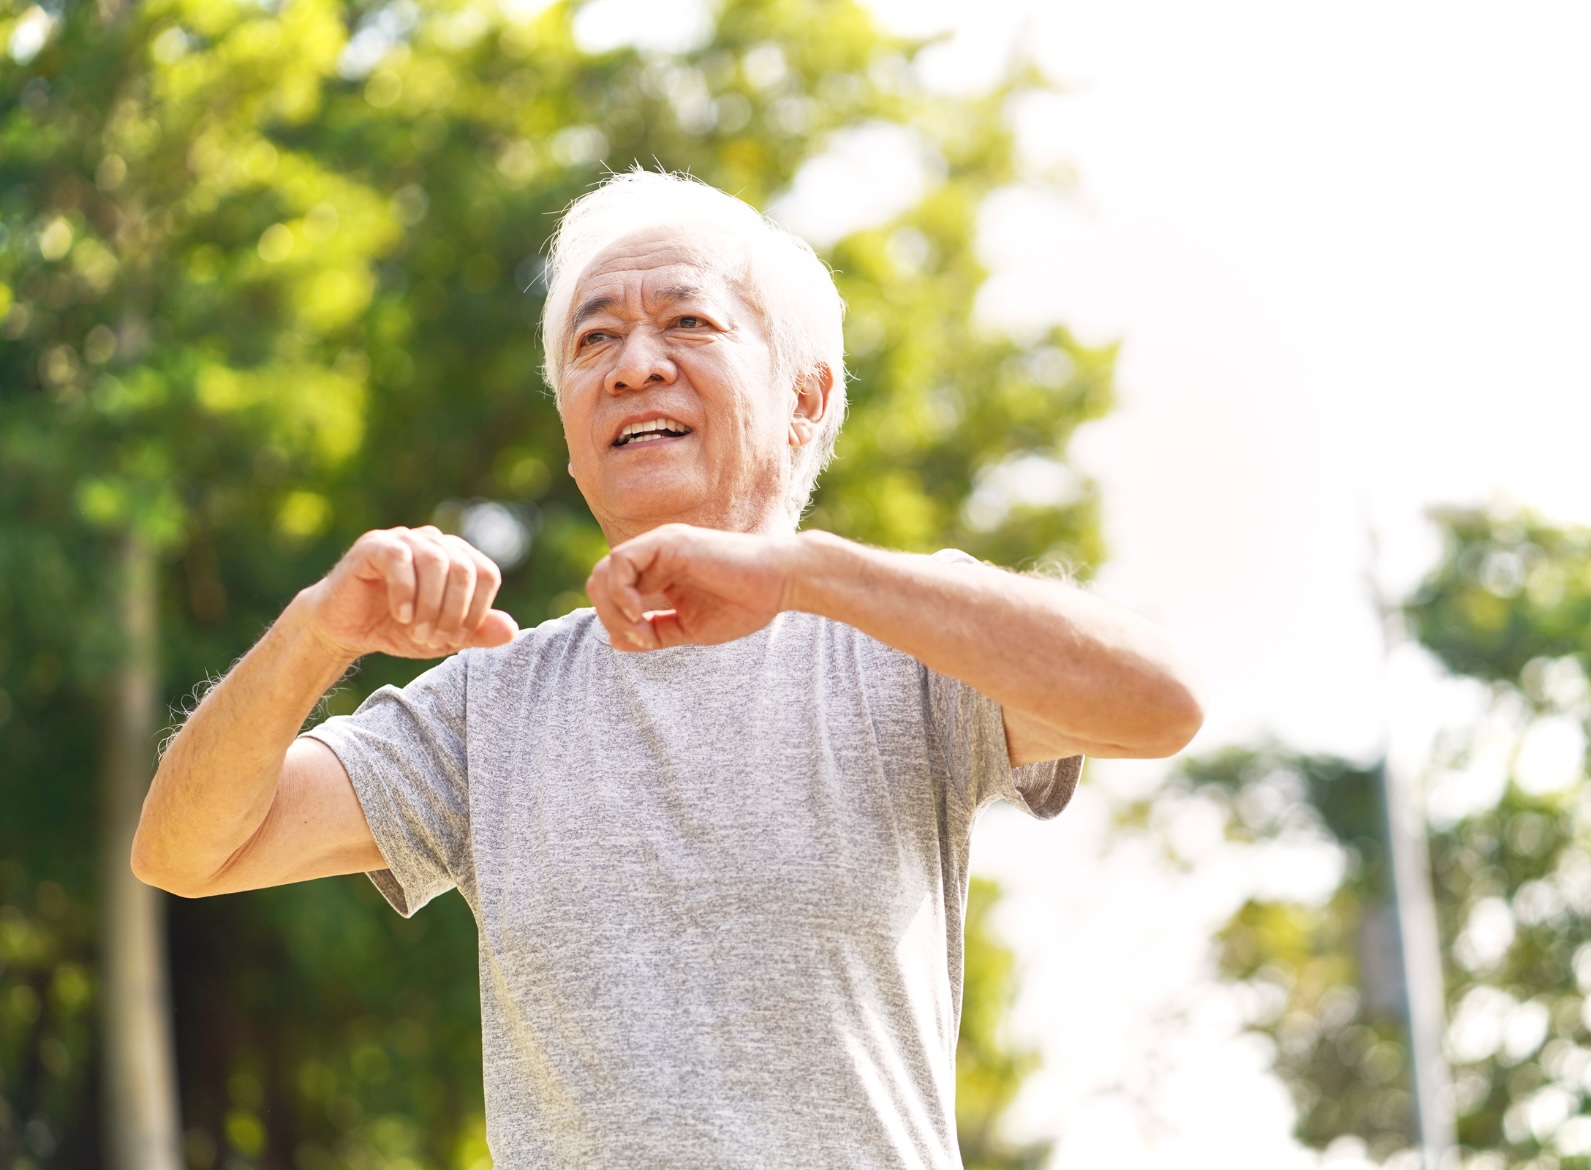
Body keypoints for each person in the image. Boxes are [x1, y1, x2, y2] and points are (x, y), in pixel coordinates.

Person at [133, 170, 1202, 1168]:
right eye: (594, 341)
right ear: (570, 435)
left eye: (688, 321)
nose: (634, 362)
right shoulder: (490, 703)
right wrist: (317, 631)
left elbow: (1160, 704)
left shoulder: (907, 646)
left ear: (805, 400)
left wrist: (801, 573)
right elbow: (187, 852)